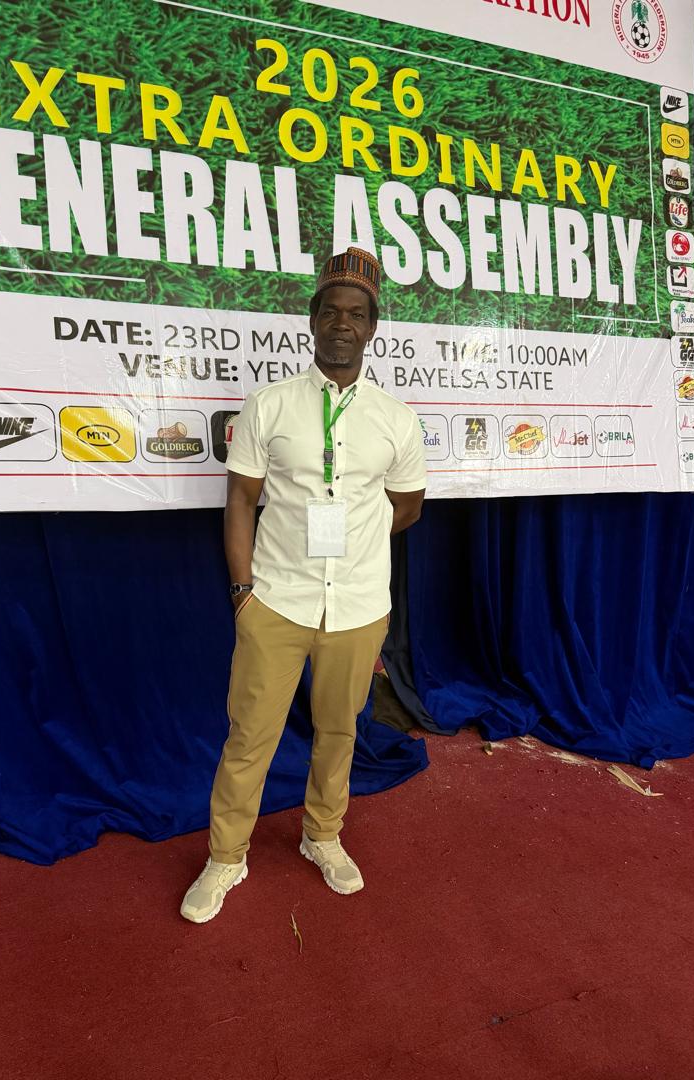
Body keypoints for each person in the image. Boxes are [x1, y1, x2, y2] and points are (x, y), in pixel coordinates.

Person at [181, 246, 426, 923]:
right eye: (331, 311)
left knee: (339, 732)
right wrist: (243, 593)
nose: (343, 323)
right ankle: (226, 857)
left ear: (372, 328)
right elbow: (240, 501)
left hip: (358, 606)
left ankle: (322, 835)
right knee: (249, 736)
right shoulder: (269, 406)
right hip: (276, 601)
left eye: (356, 313)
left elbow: (407, 507)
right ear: (313, 320)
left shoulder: (396, 418)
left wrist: (356, 546)